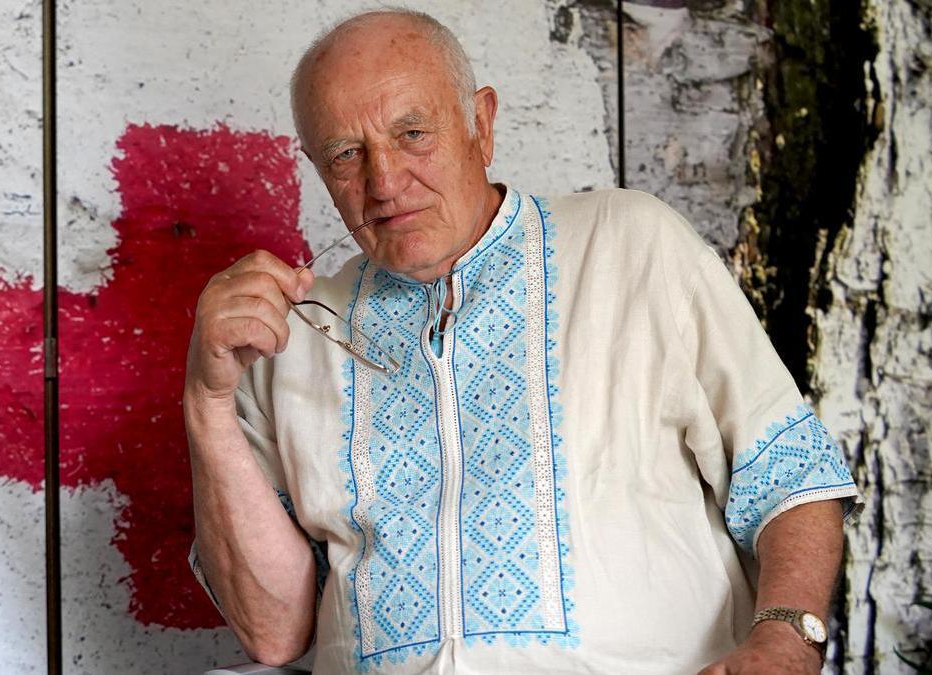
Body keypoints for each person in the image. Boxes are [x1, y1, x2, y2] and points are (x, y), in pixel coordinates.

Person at [184, 9, 860, 674]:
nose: (385, 182)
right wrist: (207, 400)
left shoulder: (629, 245)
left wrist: (786, 638)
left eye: (412, 132)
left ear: (481, 123)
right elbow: (274, 632)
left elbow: (791, 480)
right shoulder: (296, 332)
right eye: (346, 154)